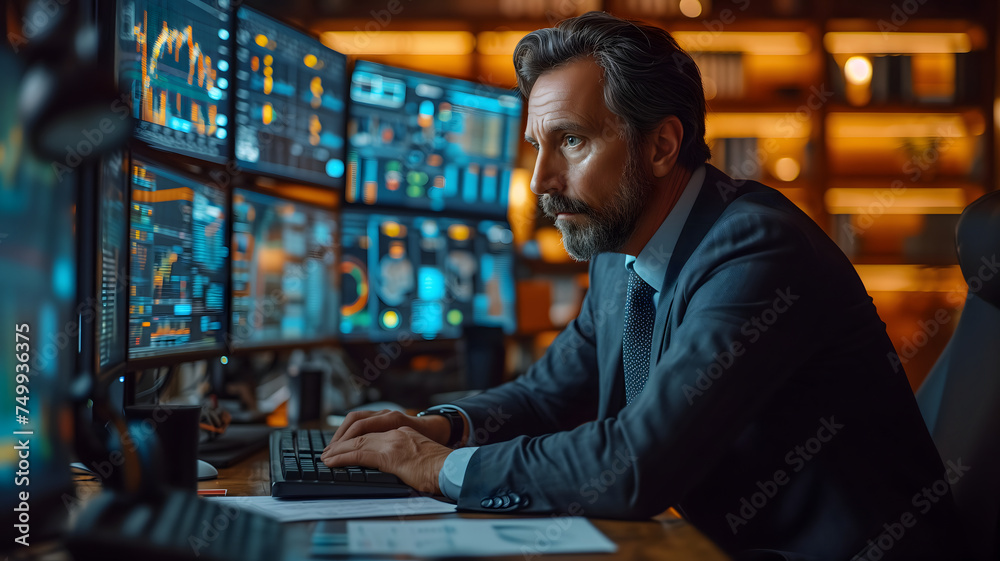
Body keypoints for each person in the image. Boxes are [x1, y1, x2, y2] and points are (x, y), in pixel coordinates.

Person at [322, 11, 967, 561]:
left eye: (571, 141)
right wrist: (441, 427)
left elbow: (638, 463)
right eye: (537, 146)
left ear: (661, 146)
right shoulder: (618, 254)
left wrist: (435, 469)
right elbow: (548, 396)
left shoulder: (757, 249)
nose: (541, 181)